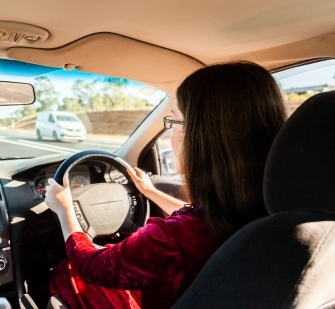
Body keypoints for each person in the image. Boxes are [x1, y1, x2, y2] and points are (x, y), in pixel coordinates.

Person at [44, 61, 288, 309]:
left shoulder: (170, 242)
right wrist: (150, 192)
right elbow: (206, 224)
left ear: (200, 137)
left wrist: (65, 210)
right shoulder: (284, 212)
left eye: (175, 121)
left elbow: (89, 265)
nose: (171, 132)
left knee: (69, 272)